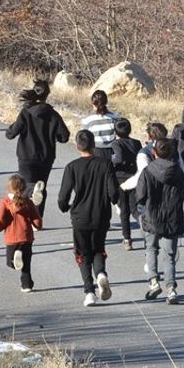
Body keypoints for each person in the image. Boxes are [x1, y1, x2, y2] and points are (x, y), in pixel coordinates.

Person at [58, 129, 120, 307]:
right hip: (101, 215)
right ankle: (101, 273)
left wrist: (64, 207)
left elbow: (63, 196)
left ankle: (89, 292)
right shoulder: (105, 164)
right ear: (94, 145)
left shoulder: (72, 167)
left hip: (80, 216)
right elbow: (113, 193)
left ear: (77, 146)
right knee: (98, 249)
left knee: (82, 254)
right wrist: (113, 200)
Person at [135, 137, 184, 303]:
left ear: (154, 152)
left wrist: (141, 210)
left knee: (151, 249)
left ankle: (153, 282)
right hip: (172, 217)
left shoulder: (148, 171)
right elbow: (183, 194)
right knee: (170, 255)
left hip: (151, 217)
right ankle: (171, 289)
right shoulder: (178, 172)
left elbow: (141, 196)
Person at [4, 79, 70, 217]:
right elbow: (64, 137)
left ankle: (25, 216)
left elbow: (11, 134)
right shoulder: (53, 114)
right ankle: (37, 220)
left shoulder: (26, 113)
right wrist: (54, 134)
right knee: (41, 186)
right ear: (47, 95)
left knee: (26, 186)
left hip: (26, 155)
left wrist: (11, 128)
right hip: (46, 157)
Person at [0, 174, 42, 293]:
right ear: (24, 187)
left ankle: (15, 257)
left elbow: (0, 217)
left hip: (12, 237)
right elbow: (35, 217)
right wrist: (38, 225)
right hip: (26, 236)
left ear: (8, 188)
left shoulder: (5, 201)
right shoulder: (27, 201)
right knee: (26, 264)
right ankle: (27, 285)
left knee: (11, 263)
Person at [111, 118, 143, 250]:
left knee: (124, 210)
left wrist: (111, 161)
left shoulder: (116, 144)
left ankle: (127, 238)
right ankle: (143, 225)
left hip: (120, 179)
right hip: (134, 177)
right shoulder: (137, 143)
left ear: (116, 131)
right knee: (134, 208)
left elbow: (118, 158)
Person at [81, 90, 120, 158]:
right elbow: (119, 136)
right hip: (111, 152)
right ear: (106, 102)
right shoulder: (115, 118)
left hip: (94, 151)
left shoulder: (87, 120)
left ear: (93, 103)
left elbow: (83, 138)